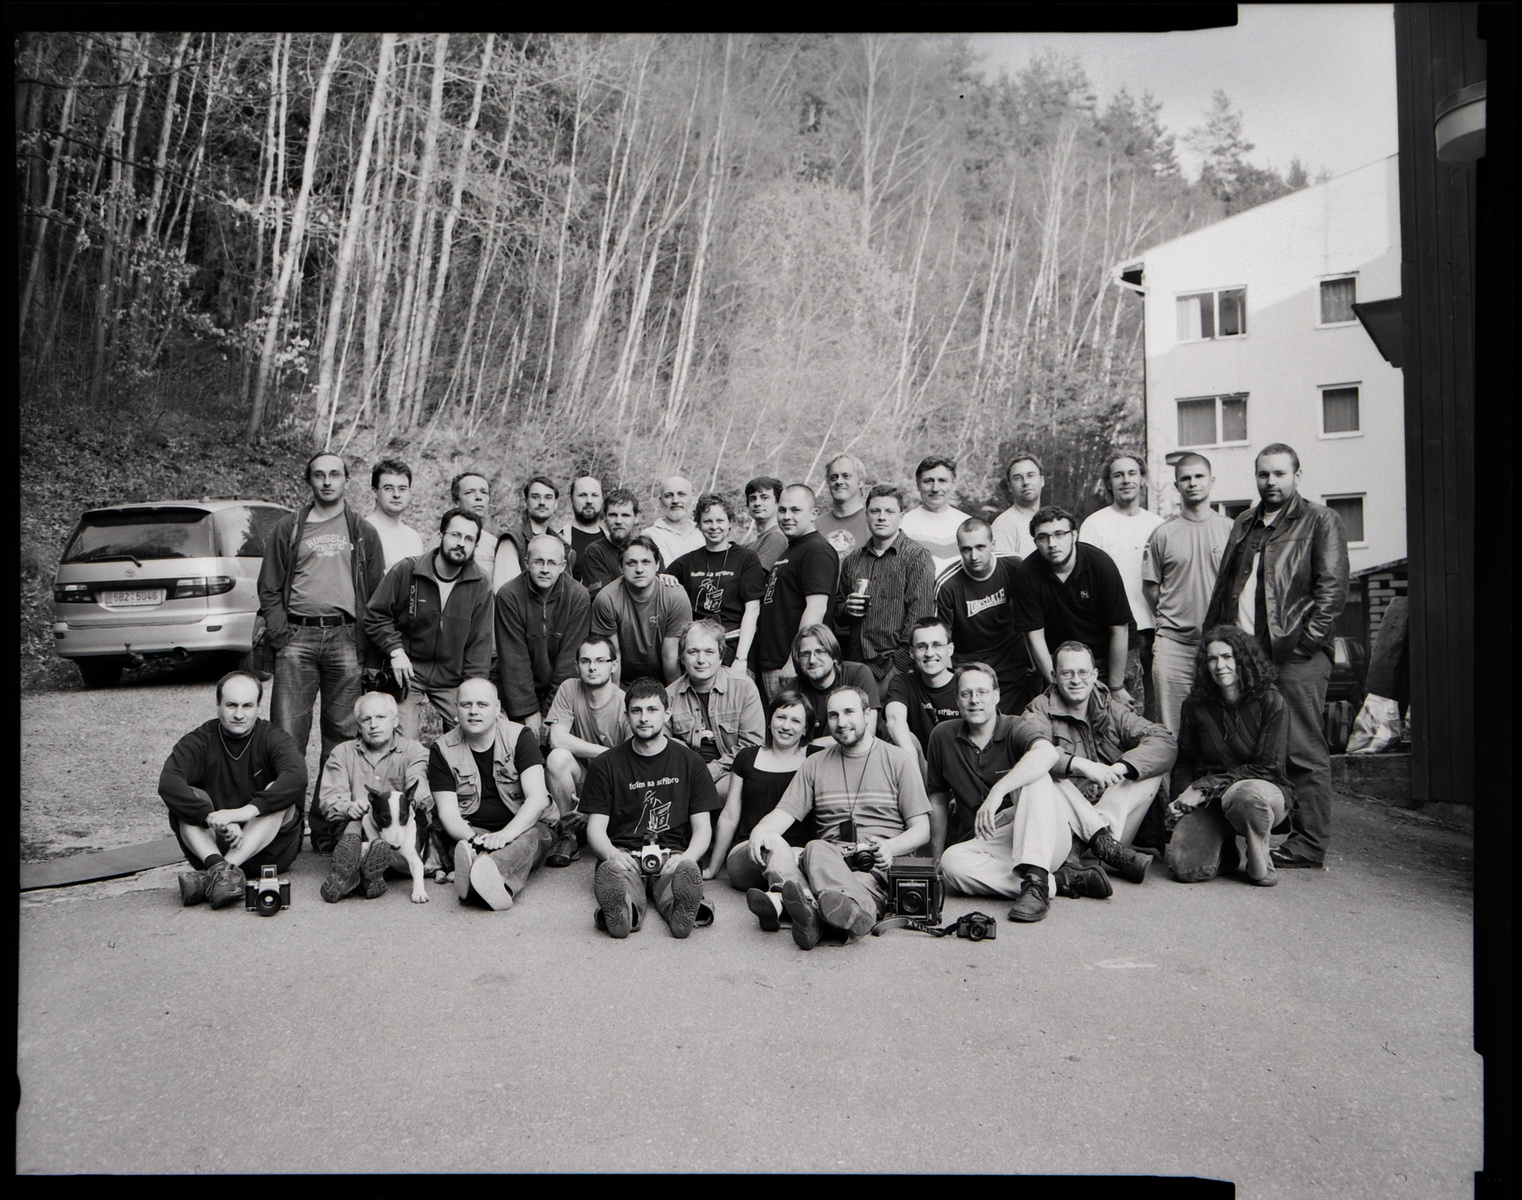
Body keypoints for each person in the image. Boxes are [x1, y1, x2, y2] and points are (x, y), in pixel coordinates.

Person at [939, 642, 1175, 922]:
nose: (1076, 680)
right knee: (952, 863)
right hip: (1053, 828)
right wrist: (1082, 767)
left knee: (1147, 769)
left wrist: (1120, 768)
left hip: (1109, 820)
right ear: (1054, 676)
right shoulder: (1036, 713)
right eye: (1067, 673)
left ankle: (1099, 845)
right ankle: (1059, 881)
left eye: (1083, 673)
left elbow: (1164, 741)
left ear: (1095, 675)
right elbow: (1044, 755)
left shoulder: (1111, 709)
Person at [1204, 442, 1349, 870]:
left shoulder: (1320, 520)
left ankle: (1310, 844)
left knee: (1302, 750)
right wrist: (1216, 643)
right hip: (1247, 658)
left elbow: (1332, 590)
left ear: (1296, 476)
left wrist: (1304, 645)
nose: (1271, 482)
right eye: (1263, 474)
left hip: (1295, 656)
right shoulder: (1245, 522)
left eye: (1280, 474)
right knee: (1253, 748)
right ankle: (1256, 833)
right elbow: (1225, 588)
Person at [258, 451, 386, 853]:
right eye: (319, 475)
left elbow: (377, 596)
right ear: (309, 481)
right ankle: (286, 830)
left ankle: (330, 827)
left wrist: (369, 651)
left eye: (334, 474)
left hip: (346, 638)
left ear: (346, 480)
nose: (327, 481)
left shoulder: (362, 531)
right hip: (297, 637)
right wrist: (281, 634)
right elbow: (269, 587)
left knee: (341, 741)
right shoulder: (289, 527)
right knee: (286, 739)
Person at [744, 684, 931, 948]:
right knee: (797, 846)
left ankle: (797, 906)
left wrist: (890, 847)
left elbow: (922, 829)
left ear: (867, 714)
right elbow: (783, 814)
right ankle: (820, 912)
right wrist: (760, 832)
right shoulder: (814, 764)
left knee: (841, 871)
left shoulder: (899, 760)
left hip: (874, 867)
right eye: (833, 715)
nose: (841, 722)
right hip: (826, 860)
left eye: (849, 712)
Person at [582, 679, 719, 939]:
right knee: (620, 879)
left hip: (673, 852)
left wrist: (689, 856)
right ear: (626, 716)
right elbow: (596, 827)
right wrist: (611, 853)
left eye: (652, 710)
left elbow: (702, 827)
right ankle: (622, 911)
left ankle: (681, 911)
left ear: (667, 714)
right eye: (636, 711)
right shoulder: (606, 764)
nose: (644, 718)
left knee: (678, 878)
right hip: (625, 853)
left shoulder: (691, 762)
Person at [159, 671, 306, 908]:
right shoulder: (199, 740)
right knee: (188, 797)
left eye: (247, 706)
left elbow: (297, 776)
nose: (239, 714)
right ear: (218, 704)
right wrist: (209, 817)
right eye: (231, 705)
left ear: (258, 707)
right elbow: (168, 782)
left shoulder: (273, 737)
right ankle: (220, 870)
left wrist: (243, 813)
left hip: (269, 853)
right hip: (212, 848)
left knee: (279, 793)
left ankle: (214, 876)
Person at [1166, 626, 1293, 887]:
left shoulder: (1271, 701)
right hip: (1210, 800)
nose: (1219, 666)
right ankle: (1226, 854)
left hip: (1260, 793)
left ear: (1243, 659)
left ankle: (1260, 858)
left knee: (1244, 796)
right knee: (1187, 869)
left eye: (1227, 657)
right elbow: (1185, 760)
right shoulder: (1195, 704)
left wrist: (1202, 788)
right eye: (1212, 659)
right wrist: (1181, 799)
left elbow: (1267, 767)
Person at [428, 677, 558, 911]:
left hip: (524, 827)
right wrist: (474, 839)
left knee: (528, 840)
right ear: (456, 709)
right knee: (461, 845)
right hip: (475, 831)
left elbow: (537, 798)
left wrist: (506, 835)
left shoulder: (520, 736)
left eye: (482, 704)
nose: (473, 711)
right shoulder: (441, 749)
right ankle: (486, 878)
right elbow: (448, 814)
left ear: (497, 708)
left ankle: (486, 871)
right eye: (466, 705)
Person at [363, 507, 494, 740]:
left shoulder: (480, 583)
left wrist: (471, 693)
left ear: (475, 545)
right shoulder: (407, 570)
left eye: (469, 539)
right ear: (440, 536)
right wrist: (395, 651)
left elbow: (479, 643)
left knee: (475, 732)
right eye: (455, 535)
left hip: (452, 679)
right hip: (408, 675)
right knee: (403, 743)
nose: (461, 543)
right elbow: (376, 614)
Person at [1142, 453, 1234, 733]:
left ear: (1212, 480)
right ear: (1177, 485)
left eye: (1199, 476)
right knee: (1172, 729)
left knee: (1223, 726)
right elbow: (1151, 587)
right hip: (1174, 645)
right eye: (1186, 478)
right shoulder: (1163, 534)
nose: (1193, 483)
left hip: (1220, 645)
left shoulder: (1231, 530)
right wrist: (1175, 616)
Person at [1012, 505, 1135, 713]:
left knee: (1118, 719)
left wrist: (1116, 687)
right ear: (1035, 542)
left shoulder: (1100, 564)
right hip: (1062, 661)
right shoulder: (1027, 573)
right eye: (1043, 537)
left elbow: (1119, 629)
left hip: (1109, 654)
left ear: (1074, 535)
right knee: (1064, 719)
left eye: (1059, 534)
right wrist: (1056, 685)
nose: (1052, 544)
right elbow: (1035, 638)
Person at [314, 690, 432, 901]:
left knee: (412, 823)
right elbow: (329, 800)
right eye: (366, 719)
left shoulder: (414, 751)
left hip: (402, 831)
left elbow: (419, 783)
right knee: (353, 824)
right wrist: (348, 807)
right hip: (359, 828)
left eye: (380, 717)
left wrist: (410, 801)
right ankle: (365, 873)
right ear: (358, 726)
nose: (373, 725)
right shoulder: (342, 753)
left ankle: (355, 876)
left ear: (395, 720)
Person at [706, 689, 820, 886]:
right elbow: (730, 816)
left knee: (796, 855)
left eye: (795, 721)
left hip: (797, 853)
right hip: (748, 853)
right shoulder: (746, 757)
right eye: (781, 717)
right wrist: (713, 868)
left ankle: (781, 897)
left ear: (805, 729)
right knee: (773, 842)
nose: (786, 726)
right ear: (769, 721)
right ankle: (799, 895)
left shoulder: (815, 758)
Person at [1079, 451, 1164, 715]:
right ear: (1109, 482)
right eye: (1118, 475)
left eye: (1132, 473)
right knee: (1119, 711)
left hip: (1154, 629)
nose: (1126, 480)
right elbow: (1085, 582)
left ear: (1142, 479)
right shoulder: (1095, 525)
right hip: (1114, 634)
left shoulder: (1158, 525)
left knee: (1154, 708)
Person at [834, 483, 936, 691]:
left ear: (901, 516)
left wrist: (899, 665)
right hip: (855, 664)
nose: (881, 517)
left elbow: (920, 617)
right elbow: (837, 611)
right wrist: (846, 609)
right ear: (866, 515)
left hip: (893, 667)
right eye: (875, 511)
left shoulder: (917, 557)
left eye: (889, 511)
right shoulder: (853, 560)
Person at [543, 634, 630, 866]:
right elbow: (557, 738)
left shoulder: (625, 703)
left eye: (600, 660)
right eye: (586, 661)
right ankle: (569, 834)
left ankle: (602, 829)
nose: (592, 667)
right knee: (557, 758)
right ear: (577, 666)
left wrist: (595, 803)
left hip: (613, 787)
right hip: (581, 780)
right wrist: (607, 752)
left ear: (614, 665)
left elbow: (632, 765)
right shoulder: (569, 689)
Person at [494, 533, 592, 738]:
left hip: (561, 693)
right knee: (521, 744)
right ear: (526, 562)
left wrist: (551, 713)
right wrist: (529, 712)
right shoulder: (508, 596)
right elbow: (514, 660)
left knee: (557, 743)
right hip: (518, 692)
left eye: (552, 563)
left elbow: (569, 662)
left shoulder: (578, 597)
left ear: (563, 565)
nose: (545, 569)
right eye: (538, 562)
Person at [925, 664, 1028, 857]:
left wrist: (998, 791)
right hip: (975, 844)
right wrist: (936, 858)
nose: (974, 700)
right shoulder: (942, 735)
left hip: (1022, 838)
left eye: (982, 692)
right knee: (951, 860)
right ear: (957, 699)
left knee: (1046, 780)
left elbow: (1048, 755)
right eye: (966, 694)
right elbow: (938, 799)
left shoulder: (1017, 727)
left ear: (996, 695)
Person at [936, 517, 1034, 714]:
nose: (974, 556)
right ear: (959, 549)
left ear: (993, 544)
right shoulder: (947, 584)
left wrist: (1033, 660)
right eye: (966, 549)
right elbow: (941, 642)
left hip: (1010, 656)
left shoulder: (1013, 565)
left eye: (980, 547)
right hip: (969, 662)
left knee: (1017, 721)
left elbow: (1031, 616)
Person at [665, 618, 765, 809]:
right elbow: (661, 744)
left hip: (733, 771)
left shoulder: (744, 687)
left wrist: (713, 770)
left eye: (709, 652)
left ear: (720, 656)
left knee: (726, 791)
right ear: (682, 657)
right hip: (686, 774)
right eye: (693, 652)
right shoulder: (669, 695)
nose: (701, 660)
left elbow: (752, 745)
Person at [752, 484, 838, 701]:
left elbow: (817, 609)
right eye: (782, 510)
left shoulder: (816, 550)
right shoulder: (792, 549)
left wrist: (794, 660)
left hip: (790, 665)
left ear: (814, 514)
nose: (787, 516)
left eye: (795, 510)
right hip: (773, 661)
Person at [665, 493, 766, 668]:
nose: (714, 527)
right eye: (707, 521)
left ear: (729, 523)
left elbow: (753, 609)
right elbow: (660, 582)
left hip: (733, 645)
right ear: (698, 524)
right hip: (698, 650)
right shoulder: (687, 562)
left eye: (720, 521)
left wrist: (741, 659)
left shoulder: (746, 558)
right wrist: (663, 576)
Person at [590, 534, 692, 685]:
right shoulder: (607, 599)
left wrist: (672, 695)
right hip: (624, 681)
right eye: (631, 563)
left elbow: (670, 656)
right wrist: (615, 696)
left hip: (665, 680)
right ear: (621, 567)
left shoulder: (675, 596)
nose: (639, 569)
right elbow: (613, 656)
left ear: (657, 565)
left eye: (646, 562)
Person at [882, 616, 962, 762]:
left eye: (937, 645)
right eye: (921, 646)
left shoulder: (964, 683)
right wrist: (912, 760)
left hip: (958, 763)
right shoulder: (903, 682)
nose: (929, 653)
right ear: (912, 652)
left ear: (950, 649)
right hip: (918, 764)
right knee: (897, 740)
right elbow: (894, 720)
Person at [789, 624, 880, 740]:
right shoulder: (792, 691)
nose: (812, 660)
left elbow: (867, 733)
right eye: (805, 654)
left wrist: (814, 745)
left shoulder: (858, 674)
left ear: (834, 656)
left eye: (820, 652)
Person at [897, 455, 971, 576]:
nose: (935, 488)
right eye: (928, 481)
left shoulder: (968, 524)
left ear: (953, 484)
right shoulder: (902, 526)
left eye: (942, 481)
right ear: (918, 485)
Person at [450, 470, 519, 593]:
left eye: (484, 492)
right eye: (470, 492)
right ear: (456, 501)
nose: (478, 497)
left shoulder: (493, 543)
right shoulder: (443, 540)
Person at [579, 486, 642, 597]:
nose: (618, 521)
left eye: (625, 515)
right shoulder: (595, 552)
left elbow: (660, 592)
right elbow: (604, 598)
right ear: (605, 518)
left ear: (636, 517)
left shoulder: (648, 550)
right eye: (613, 515)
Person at [365, 458, 425, 571]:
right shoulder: (364, 531)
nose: (396, 494)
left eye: (402, 489)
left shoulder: (413, 537)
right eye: (388, 488)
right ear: (374, 492)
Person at [814, 452, 871, 556]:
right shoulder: (815, 525)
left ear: (861, 481)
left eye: (846, 476)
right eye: (833, 477)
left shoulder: (873, 522)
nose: (839, 481)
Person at [991, 452, 1045, 561]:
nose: (1026, 482)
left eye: (1030, 475)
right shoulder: (1004, 526)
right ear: (1010, 486)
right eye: (1018, 478)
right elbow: (1001, 570)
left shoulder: (1047, 522)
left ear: (1042, 480)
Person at [642, 475, 704, 567]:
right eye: (668, 496)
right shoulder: (650, 536)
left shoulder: (704, 532)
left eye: (681, 494)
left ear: (693, 498)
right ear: (660, 501)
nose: (675, 501)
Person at [566, 475, 608, 584]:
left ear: (602, 500)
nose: (589, 501)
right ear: (571, 499)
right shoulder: (559, 540)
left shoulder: (611, 541)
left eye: (594, 495)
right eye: (582, 495)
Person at [741, 475, 789, 570]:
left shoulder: (776, 538)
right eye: (753, 498)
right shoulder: (751, 544)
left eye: (764, 498)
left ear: (778, 502)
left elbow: (755, 576)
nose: (757, 503)